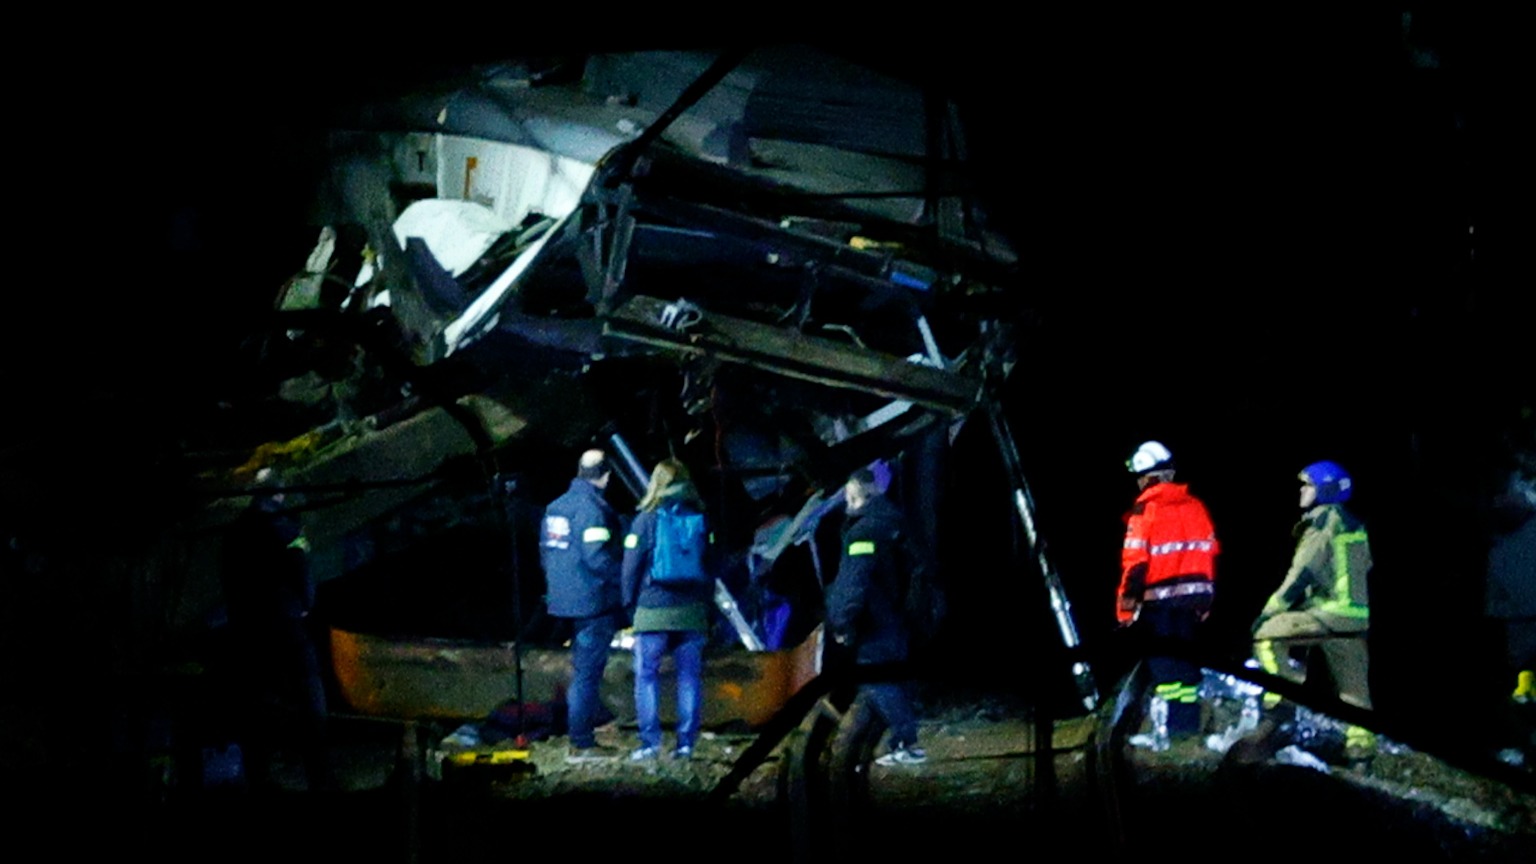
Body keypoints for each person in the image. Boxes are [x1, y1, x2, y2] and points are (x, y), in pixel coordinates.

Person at [1118, 441, 1219, 744]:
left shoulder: (1145, 511)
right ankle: (1186, 728)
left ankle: (1171, 733)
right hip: (1191, 603)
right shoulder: (1196, 507)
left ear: (1147, 477)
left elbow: (1135, 566)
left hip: (1157, 605)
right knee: (1186, 664)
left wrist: (1125, 610)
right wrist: (1206, 601)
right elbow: (1209, 555)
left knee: (1163, 665)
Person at [1253, 460, 1373, 710]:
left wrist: (1270, 611)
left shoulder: (1323, 522)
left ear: (1325, 490)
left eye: (1308, 486)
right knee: (1354, 691)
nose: (1302, 491)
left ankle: (1284, 699)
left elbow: (1302, 572)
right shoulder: (1354, 524)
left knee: (1265, 637)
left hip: (1329, 613)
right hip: (1357, 616)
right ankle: (1360, 745)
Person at [826, 467, 926, 766]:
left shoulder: (862, 533)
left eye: (847, 496)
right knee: (891, 678)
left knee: (875, 678)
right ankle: (892, 744)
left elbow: (853, 581)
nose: (845, 502)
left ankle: (906, 741)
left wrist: (841, 621)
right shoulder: (896, 523)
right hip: (900, 618)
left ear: (856, 496)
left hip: (874, 622)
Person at [621, 458, 713, 761]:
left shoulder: (646, 520)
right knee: (689, 678)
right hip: (691, 612)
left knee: (646, 676)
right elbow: (711, 566)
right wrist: (705, 608)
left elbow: (631, 567)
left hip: (652, 610)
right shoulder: (700, 517)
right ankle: (685, 744)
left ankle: (650, 744)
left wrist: (629, 605)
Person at [541, 449, 625, 763]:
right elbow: (596, 557)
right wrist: (623, 581)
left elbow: (547, 552)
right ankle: (582, 742)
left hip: (564, 599)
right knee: (587, 673)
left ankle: (582, 735)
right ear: (606, 476)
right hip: (592, 602)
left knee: (582, 670)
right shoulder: (593, 509)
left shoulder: (555, 507)